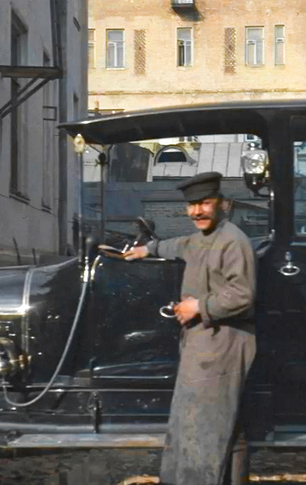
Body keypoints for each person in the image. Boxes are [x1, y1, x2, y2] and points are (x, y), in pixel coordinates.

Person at [123, 171, 257, 485]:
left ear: (223, 204)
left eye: (204, 203)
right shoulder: (201, 239)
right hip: (205, 342)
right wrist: (148, 249)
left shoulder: (233, 241)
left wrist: (197, 306)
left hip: (224, 342)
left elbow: (243, 295)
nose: (196, 211)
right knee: (224, 425)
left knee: (211, 427)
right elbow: (179, 245)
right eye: (191, 205)